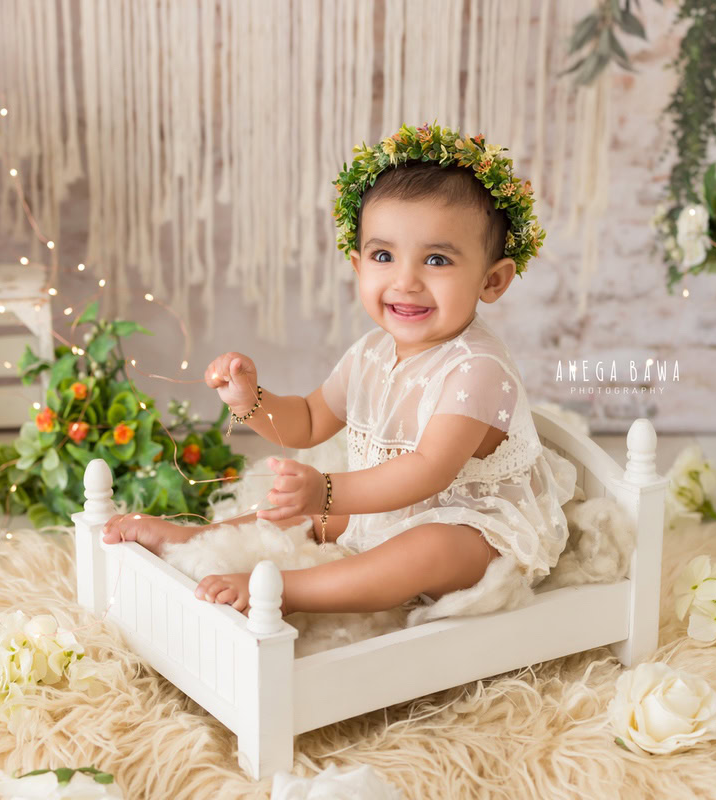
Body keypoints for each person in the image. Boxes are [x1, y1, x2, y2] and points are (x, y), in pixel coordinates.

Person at [101, 122, 576, 616]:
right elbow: (307, 421)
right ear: (357, 265)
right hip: (397, 508)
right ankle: (196, 539)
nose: (405, 281)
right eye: (384, 255)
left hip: (477, 529)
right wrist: (252, 401)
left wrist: (326, 490)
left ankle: (292, 590)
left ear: (493, 280)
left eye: (436, 259)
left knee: (428, 547)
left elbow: (428, 471)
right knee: (300, 513)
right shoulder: (370, 353)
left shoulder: (477, 368)